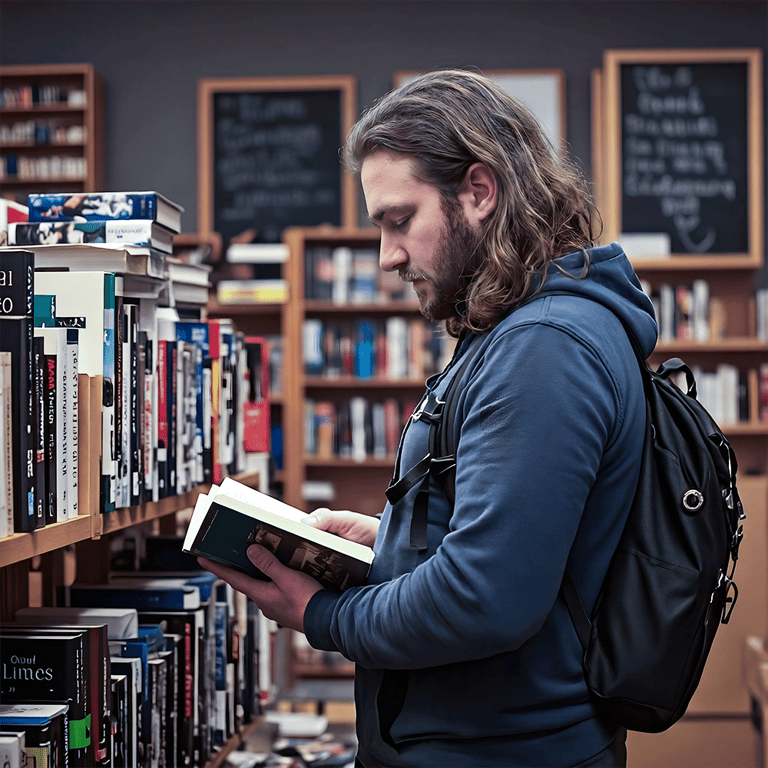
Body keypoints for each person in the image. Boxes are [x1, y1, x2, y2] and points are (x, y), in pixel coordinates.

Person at [199, 69, 658, 767]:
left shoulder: (545, 349)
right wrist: (392, 544)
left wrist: (320, 616)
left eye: (399, 221)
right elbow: (520, 547)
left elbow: (486, 600)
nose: (387, 257)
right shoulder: (520, 332)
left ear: (479, 191)